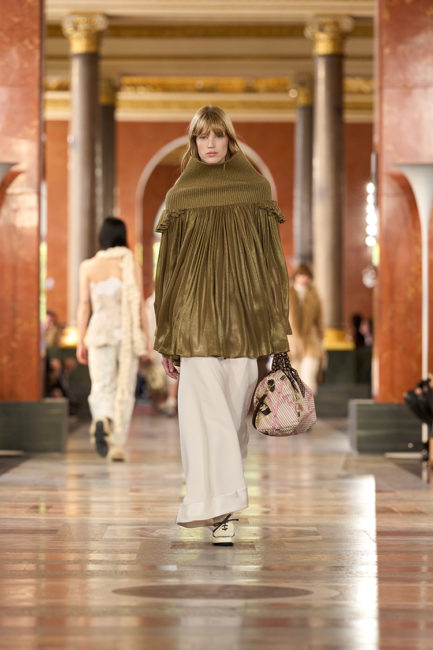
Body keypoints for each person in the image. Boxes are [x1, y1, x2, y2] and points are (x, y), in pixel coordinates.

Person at [154, 105, 290, 545]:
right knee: (203, 419)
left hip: (244, 323)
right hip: (193, 323)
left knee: (231, 421)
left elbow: (272, 265)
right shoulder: (179, 196)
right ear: (193, 142)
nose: (210, 144)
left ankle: (221, 508)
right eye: (202, 136)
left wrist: (277, 331)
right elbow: (167, 272)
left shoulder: (256, 191)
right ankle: (215, 510)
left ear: (230, 140)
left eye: (218, 135)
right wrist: (167, 337)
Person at [76, 217, 151, 461]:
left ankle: (102, 418)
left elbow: (84, 305)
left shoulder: (88, 266)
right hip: (125, 334)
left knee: (101, 384)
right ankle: (117, 445)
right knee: (124, 389)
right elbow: (139, 305)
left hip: (99, 332)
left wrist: (80, 340)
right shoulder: (129, 264)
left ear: (102, 236)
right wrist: (146, 337)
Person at [287, 263, 324, 395]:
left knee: (308, 379)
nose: (303, 278)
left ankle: (308, 406)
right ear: (295, 276)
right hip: (291, 342)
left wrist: (321, 343)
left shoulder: (314, 295)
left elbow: (319, 320)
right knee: (293, 381)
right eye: (300, 275)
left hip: (311, 341)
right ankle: (296, 407)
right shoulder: (286, 293)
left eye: (306, 276)